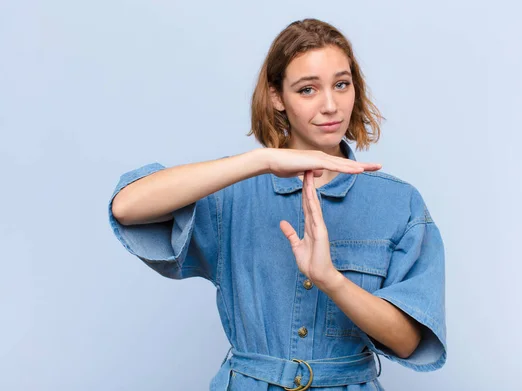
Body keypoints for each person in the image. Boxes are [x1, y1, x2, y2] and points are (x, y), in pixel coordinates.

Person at [108, 18, 446, 391]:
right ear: (276, 96)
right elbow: (127, 207)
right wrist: (262, 161)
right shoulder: (234, 196)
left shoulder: (398, 203)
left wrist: (331, 280)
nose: (331, 105)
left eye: (341, 84)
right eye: (307, 90)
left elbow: (409, 341)